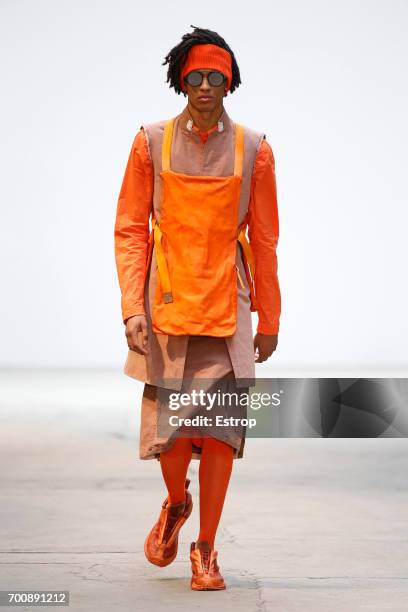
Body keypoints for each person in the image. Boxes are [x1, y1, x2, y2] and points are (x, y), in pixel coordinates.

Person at [114, 25, 281, 591]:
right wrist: (129, 306)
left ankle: (206, 549)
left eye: (216, 75)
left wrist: (271, 317)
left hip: (228, 303)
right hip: (166, 300)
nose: (205, 85)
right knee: (175, 432)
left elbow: (265, 240)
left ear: (230, 81)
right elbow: (132, 229)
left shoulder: (254, 148)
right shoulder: (151, 141)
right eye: (195, 75)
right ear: (179, 78)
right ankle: (176, 501)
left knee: (219, 431)